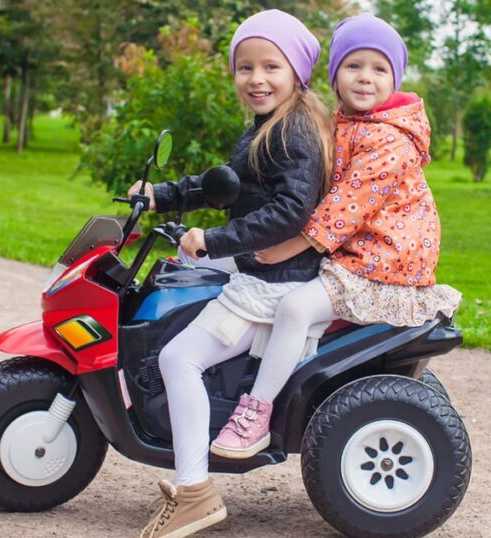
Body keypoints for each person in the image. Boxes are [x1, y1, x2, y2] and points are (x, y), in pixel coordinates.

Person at [208, 13, 462, 460]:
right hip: (356, 251)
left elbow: (344, 209)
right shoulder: (346, 122)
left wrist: (284, 246)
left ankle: (257, 412)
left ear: (394, 78)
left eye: (378, 69)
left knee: (294, 307)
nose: (365, 78)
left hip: (381, 263)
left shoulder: (389, 139)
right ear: (335, 75)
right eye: (354, 66)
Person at [128, 9, 334, 538]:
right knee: (177, 275)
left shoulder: (295, 135)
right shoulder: (271, 126)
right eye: (245, 67)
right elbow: (225, 186)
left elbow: (290, 210)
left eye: (271, 66)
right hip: (262, 271)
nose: (256, 78)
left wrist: (216, 240)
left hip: (274, 284)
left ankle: (195, 489)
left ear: (297, 72)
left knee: (179, 358)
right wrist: (162, 196)